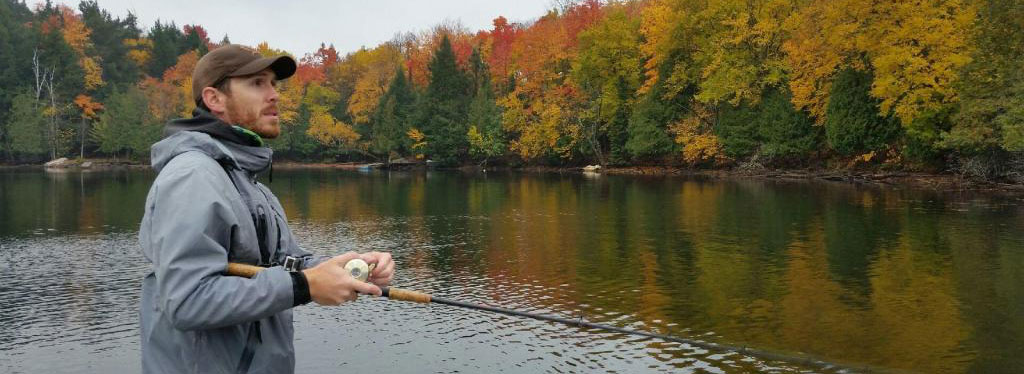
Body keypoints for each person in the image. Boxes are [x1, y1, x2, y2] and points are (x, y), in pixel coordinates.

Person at [138, 44, 394, 374]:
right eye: (257, 83)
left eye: (273, 84)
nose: (274, 95)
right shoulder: (193, 177)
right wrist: (305, 286)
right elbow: (187, 300)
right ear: (215, 99)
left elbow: (286, 263)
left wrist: (348, 267)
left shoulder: (248, 183)